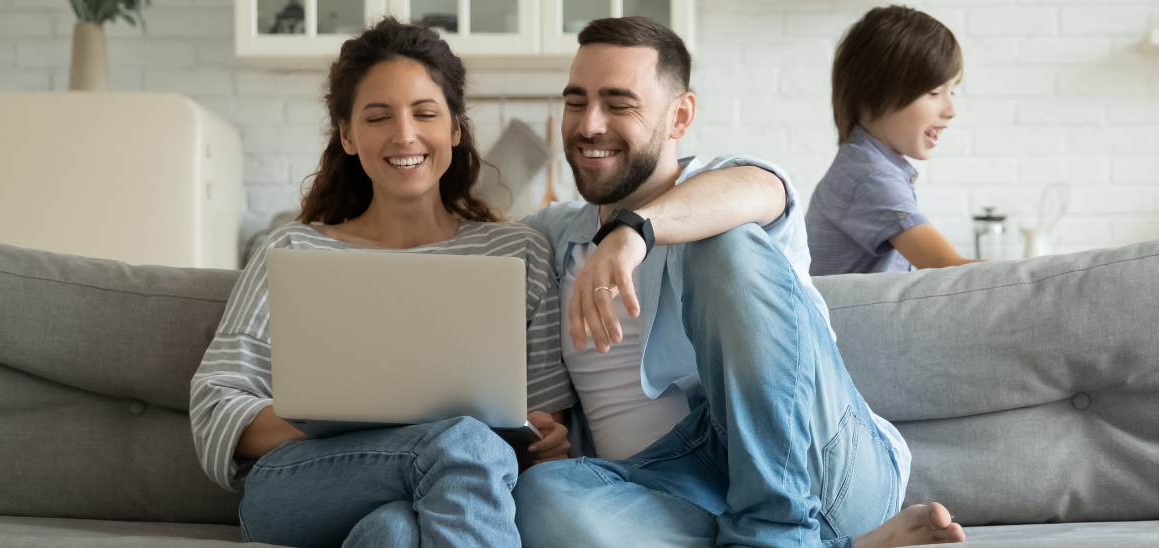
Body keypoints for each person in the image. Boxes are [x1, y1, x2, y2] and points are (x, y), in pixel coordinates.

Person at [510, 16, 965, 548]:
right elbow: (464, 248)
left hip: (823, 467)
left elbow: (760, 188)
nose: (589, 124)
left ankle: (777, 532)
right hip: (673, 486)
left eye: (619, 104)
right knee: (540, 498)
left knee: (722, 239)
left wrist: (634, 231)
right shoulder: (550, 236)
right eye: (575, 102)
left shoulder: (725, 184)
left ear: (680, 116)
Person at [186, 18, 574, 548]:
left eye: (425, 113)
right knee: (463, 445)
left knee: (391, 534)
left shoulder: (517, 254)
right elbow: (215, 407)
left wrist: (547, 438)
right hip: (301, 484)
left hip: (447, 483)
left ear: (455, 129)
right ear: (347, 134)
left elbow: (543, 422)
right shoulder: (292, 250)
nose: (404, 135)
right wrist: (344, 419)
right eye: (378, 116)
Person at [806, 6, 978, 276]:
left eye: (952, 91)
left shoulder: (872, 166)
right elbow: (952, 271)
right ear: (873, 92)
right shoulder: (869, 177)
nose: (951, 109)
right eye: (934, 92)